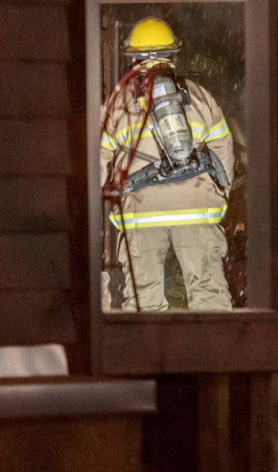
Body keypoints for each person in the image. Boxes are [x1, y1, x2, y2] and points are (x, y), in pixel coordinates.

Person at [100, 17, 235, 312]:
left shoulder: (118, 103)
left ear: (132, 58)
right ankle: (218, 354)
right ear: (172, 55)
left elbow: (98, 159)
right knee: (208, 294)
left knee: (144, 301)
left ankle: (149, 356)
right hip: (196, 210)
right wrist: (220, 192)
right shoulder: (198, 95)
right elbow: (224, 153)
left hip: (142, 212)